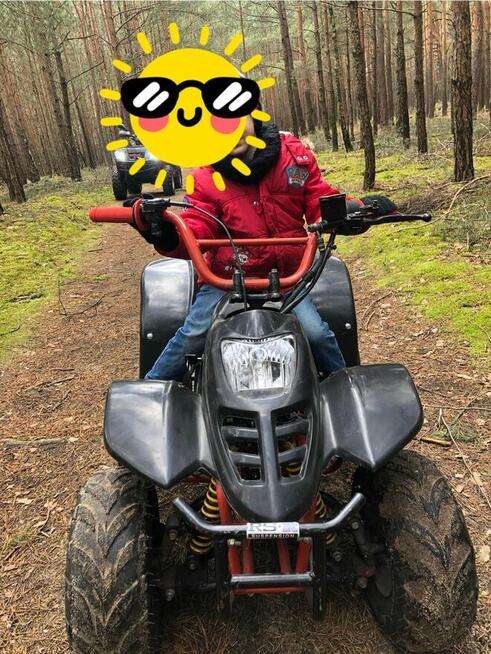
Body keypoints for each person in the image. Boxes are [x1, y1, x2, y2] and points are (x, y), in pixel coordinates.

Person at [133, 113, 396, 381]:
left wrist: (356, 209)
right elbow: (197, 226)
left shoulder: (294, 157)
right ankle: (150, 389)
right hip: (226, 279)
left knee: (316, 334)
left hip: (287, 278)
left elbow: (319, 201)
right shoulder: (205, 176)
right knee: (194, 334)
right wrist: (162, 231)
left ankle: (345, 387)